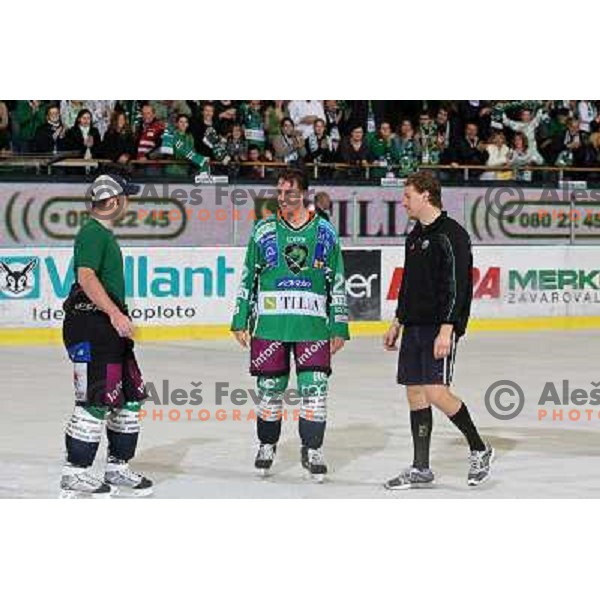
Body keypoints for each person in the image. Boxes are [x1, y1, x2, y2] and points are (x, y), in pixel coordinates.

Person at [231, 168, 349, 481]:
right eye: (279, 192)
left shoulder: (324, 231)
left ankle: (313, 449)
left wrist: (339, 326)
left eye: (289, 192)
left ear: (304, 194)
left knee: (315, 391)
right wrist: (239, 318)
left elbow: (336, 280)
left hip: (312, 328)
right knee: (269, 390)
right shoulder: (263, 230)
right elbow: (248, 276)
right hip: (270, 327)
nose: (282, 198)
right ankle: (266, 444)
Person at [383, 171, 494, 489]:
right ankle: (420, 468)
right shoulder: (415, 235)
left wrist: (448, 328)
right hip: (413, 325)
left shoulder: (452, 234)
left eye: (408, 196)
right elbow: (408, 285)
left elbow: (459, 287)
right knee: (415, 393)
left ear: (426, 195)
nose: (403, 202)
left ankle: (479, 449)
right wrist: (397, 321)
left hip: (438, 326)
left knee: (436, 391)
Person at [60, 172, 152, 498]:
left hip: (109, 329)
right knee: (95, 400)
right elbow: (85, 276)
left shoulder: (103, 235)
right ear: (112, 201)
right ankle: (76, 471)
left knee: (128, 398)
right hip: (93, 326)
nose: (128, 202)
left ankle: (117, 466)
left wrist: (117, 318)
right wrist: (114, 313)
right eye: (125, 196)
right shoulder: (93, 233)